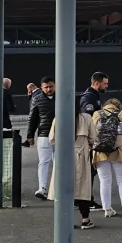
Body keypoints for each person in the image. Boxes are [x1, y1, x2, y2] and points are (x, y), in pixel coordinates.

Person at [48, 98, 98, 230]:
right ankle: (85, 219)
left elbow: (52, 139)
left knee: (64, 188)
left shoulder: (59, 118)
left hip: (63, 156)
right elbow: (94, 138)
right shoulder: (86, 118)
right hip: (81, 156)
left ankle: (65, 220)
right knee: (83, 189)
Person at [91, 97, 122, 217]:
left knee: (104, 181)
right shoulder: (121, 114)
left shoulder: (97, 114)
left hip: (100, 152)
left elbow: (92, 132)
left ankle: (107, 209)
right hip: (119, 150)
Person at [77, 72, 109, 207]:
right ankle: (85, 199)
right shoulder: (89, 98)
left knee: (90, 171)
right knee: (89, 171)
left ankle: (85, 199)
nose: (107, 86)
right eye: (105, 83)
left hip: (89, 140)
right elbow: (87, 119)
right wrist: (91, 141)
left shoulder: (93, 96)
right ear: (96, 83)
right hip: (88, 141)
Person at [25, 77, 57, 200]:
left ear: (55, 85)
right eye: (46, 87)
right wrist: (30, 135)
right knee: (43, 162)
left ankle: (55, 189)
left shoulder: (62, 97)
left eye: (51, 86)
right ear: (41, 87)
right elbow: (32, 118)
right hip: (44, 134)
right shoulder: (37, 99)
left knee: (57, 163)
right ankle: (42, 188)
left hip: (60, 134)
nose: (49, 89)